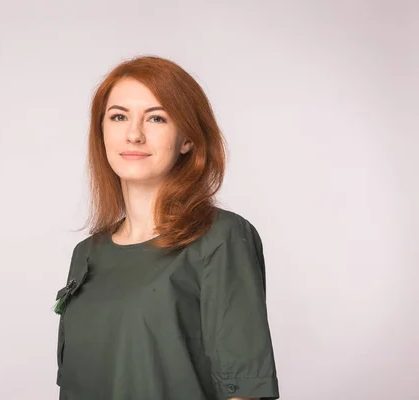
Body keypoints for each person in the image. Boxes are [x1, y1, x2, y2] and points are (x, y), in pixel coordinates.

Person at [54, 55, 280, 400]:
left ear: (187, 138)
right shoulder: (86, 255)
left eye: (156, 118)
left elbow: (244, 392)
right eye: (118, 116)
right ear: (101, 132)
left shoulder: (221, 238)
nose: (133, 134)